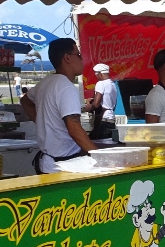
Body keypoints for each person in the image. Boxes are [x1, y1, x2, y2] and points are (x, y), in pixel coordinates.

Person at [26, 37, 97, 172]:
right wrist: (99, 156)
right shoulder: (66, 87)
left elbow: (25, 101)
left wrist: (43, 122)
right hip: (62, 165)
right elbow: (74, 128)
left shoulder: (46, 82)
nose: (82, 60)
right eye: (78, 55)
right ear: (67, 58)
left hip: (47, 162)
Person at [87, 63, 119, 140]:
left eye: (96, 74)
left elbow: (96, 104)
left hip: (103, 120)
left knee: (98, 144)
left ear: (101, 74)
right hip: (111, 119)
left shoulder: (100, 83)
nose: (96, 76)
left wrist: (89, 106)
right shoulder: (112, 84)